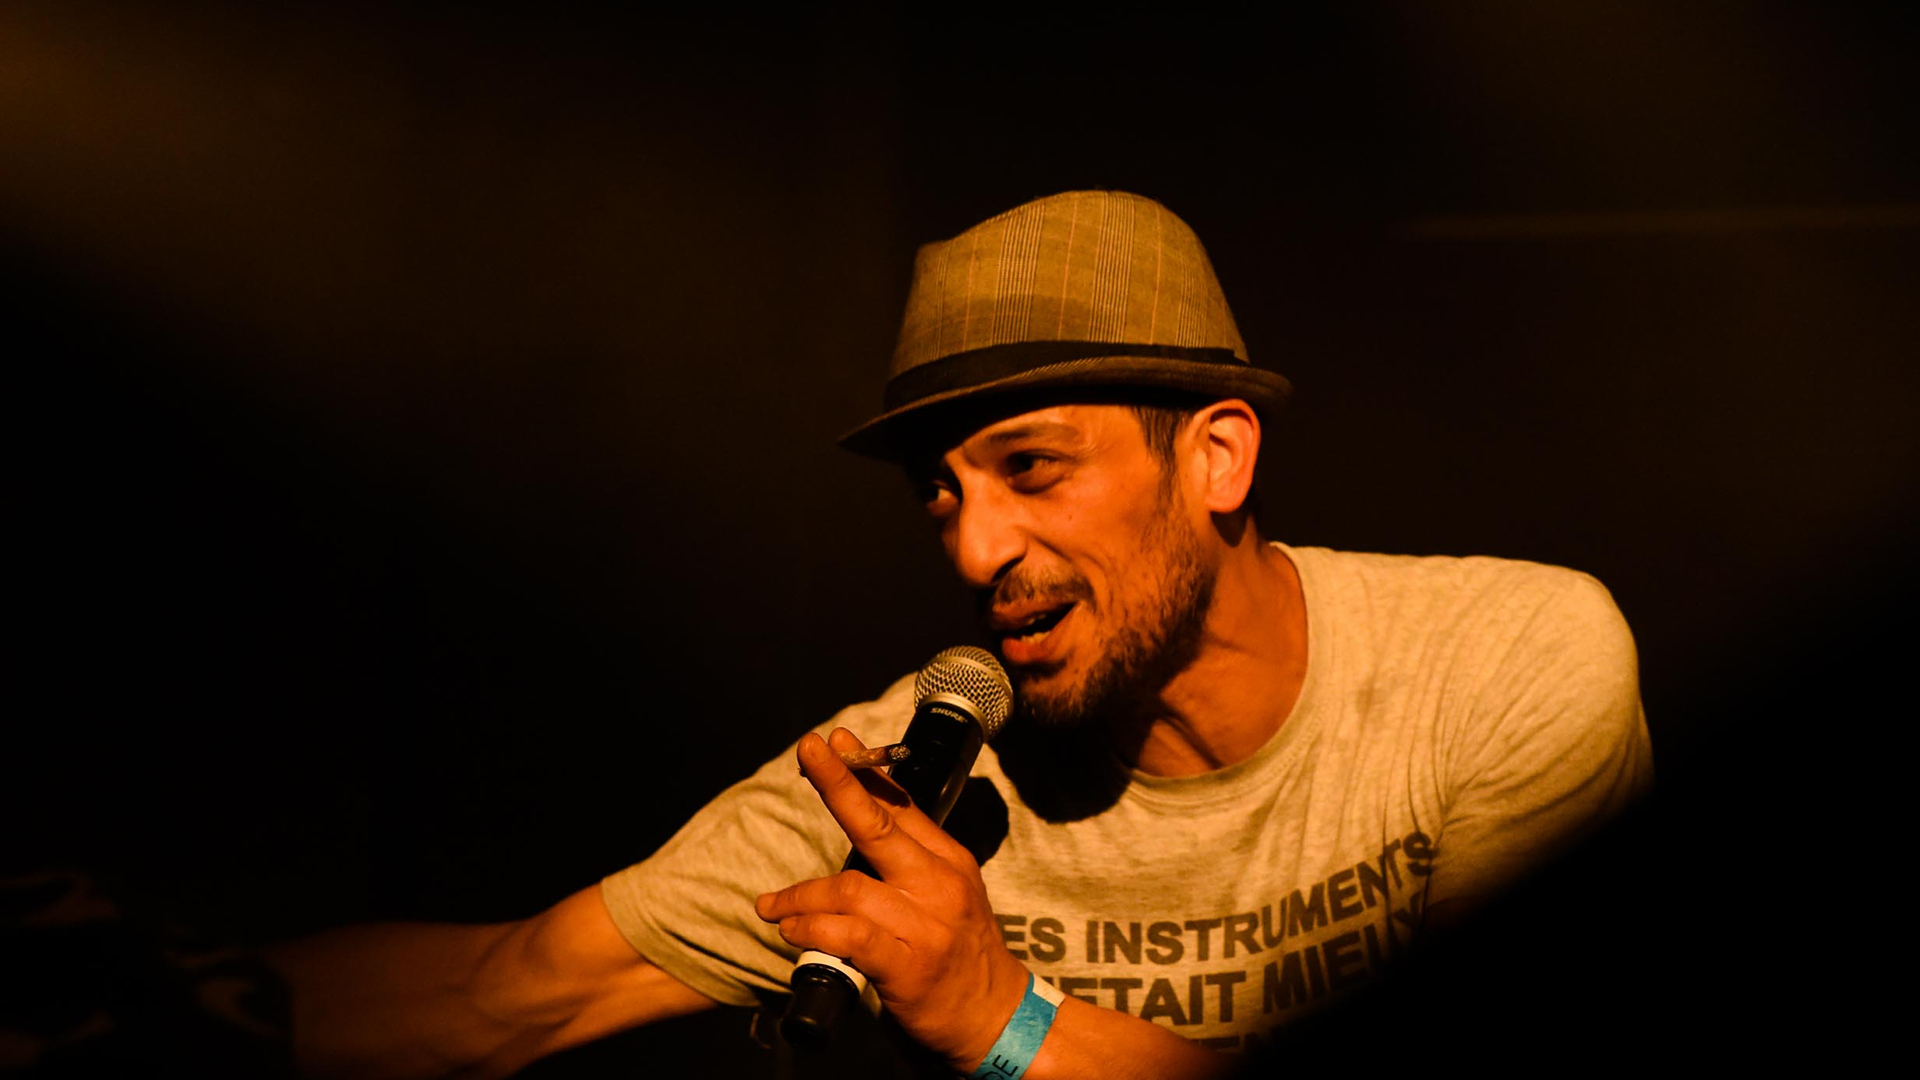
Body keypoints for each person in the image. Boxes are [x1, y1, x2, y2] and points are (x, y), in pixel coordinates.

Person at [264, 190, 1652, 1079]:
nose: (976, 549)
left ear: (1217, 458)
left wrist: (1006, 1017)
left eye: (1031, 468)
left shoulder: (1500, 663)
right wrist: (179, 1003)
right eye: (942, 492)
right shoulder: (904, 783)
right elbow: (506, 993)